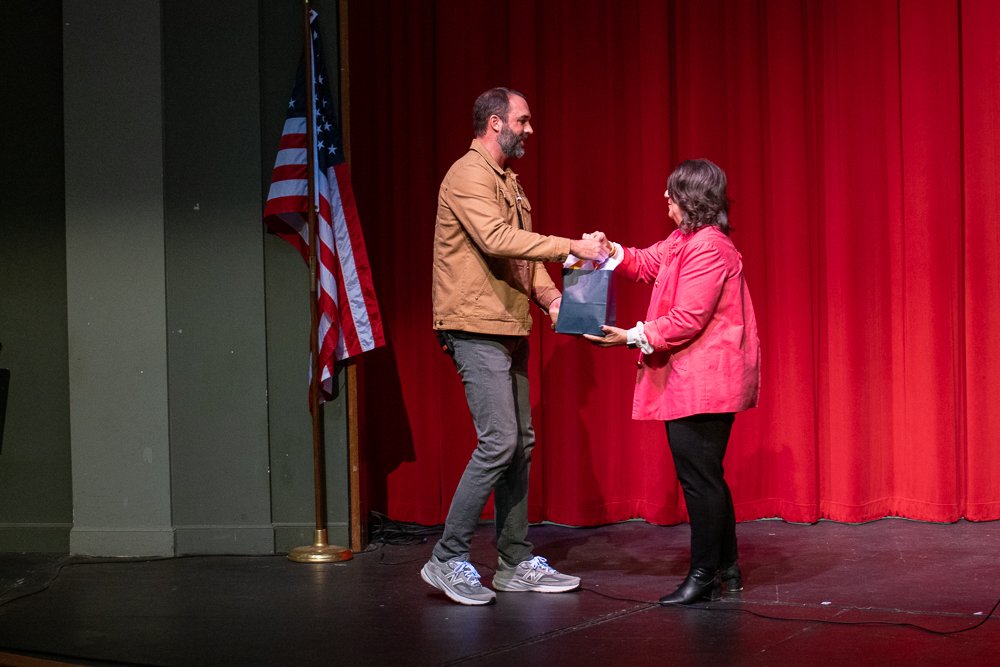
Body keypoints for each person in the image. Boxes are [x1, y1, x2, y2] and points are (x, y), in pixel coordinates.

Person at [421, 87, 609, 606]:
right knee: (499, 441)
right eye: (523, 121)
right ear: (497, 122)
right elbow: (497, 240)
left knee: (520, 445)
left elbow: (521, 261)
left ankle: (515, 561)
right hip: (474, 326)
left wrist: (551, 300)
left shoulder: (508, 181)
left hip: (509, 325)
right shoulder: (467, 175)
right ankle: (447, 558)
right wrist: (572, 245)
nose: (530, 130)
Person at [585, 159, 760, 605]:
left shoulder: (709, 248)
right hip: (695, 378)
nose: (664, 198)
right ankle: (727, 568)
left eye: (672, 192)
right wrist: (609, 251)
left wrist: (632, 336)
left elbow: (687, 319)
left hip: (706, 381)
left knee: (699, 479)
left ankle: (704, 575)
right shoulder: (685, 241)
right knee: (706, 476)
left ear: (692, 199)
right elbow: (646, 263)